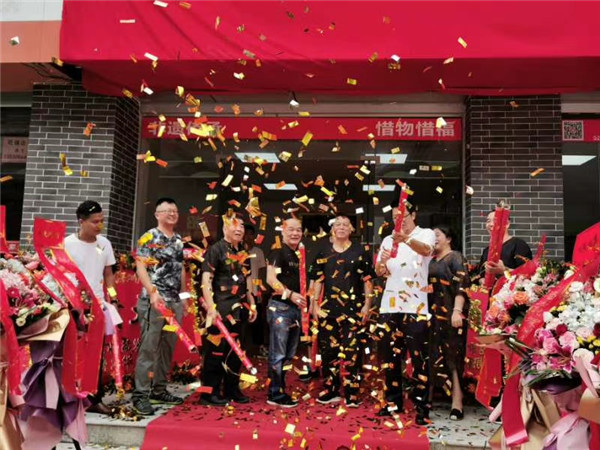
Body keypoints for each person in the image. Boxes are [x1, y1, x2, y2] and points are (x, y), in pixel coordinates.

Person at [375, 202, 435, 425]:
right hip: (390, 306)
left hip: (416, 307)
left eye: (403, 215)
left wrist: (405, 239)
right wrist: (382, 263)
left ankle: (421, 407)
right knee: (390, 357)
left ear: (413, 214)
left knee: (419, 359)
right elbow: (380, 271)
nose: (398, 220)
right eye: (394, 217)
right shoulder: (387, 240)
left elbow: (427, 251)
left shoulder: (425, 234)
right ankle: (393, 402)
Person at [310, 215, 375, 407]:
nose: (341, 227)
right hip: (328, 310)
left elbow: (368, 281)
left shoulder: (360, 251)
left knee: (352, 351)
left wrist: (367, 305)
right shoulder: (322, 250)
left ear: (352, 229)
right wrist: (314, 304)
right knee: (328, 351)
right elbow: (317, 280)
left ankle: (351, 392)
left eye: (346, 225)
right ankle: (330, 389)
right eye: (337, 224)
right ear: (332, 229)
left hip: (354, 311)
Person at [64, 200, 120, 415]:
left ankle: (94, 398)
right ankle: (69, 397)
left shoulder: (104, 243)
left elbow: (109, 274)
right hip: (72, 306)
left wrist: (112, 297)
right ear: (81, 222)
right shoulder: (66, 244)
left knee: (96, 354)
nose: (100, 225)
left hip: (97, 306)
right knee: (71, 352)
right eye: (95, 222)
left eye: (101, 221)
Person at [132, 197, 187, 415]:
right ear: (157, 214)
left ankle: (159, 389)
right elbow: (141, 267)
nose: (172, 214)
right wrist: (153, 293)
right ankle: (140, 394)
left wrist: (184, 296)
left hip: (174, 301)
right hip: (154, 301)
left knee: (167, 346)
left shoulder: (179, 240)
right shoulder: (149, 237)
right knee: (149, 346)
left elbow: (181, 268)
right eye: (167, 211)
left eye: (175, 211)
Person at [200, 213, 257, 406]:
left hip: (240, 309)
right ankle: (209, 393)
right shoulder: (215, 249)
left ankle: (232, 389)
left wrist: (252, 304)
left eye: (242, 225)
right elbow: (206, 280)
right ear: (225, 228)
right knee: (215, 353)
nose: (239, 228)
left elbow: (247, 280)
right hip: (220, 310)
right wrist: (211, 307)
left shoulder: (243, 251)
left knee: (236, 352)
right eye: (235, 225)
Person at [428, 225, 470, 421]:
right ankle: (428, 399)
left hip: (451, 315)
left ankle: (457, 402)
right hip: (432, 315)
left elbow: (462, 286)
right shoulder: (430, 260)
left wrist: (457, 311)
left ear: (449, 238)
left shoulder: (455, 257)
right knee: (433, 356)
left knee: (453, 357)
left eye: (437, 235)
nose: (434, 238)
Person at [265, 218, 306, 407]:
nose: (295, 233)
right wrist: (290, 294)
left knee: (289, 355)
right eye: (291, 229)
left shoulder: (298, 254)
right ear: (282, 231)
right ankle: (275, 393)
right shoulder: (277, 250)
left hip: (295, 309)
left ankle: (279, 389)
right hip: (280, 308)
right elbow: (270, 278)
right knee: (278, 353)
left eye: (298, 230)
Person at [479, 209, 532, 280]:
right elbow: (479, 275)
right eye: (488, 221)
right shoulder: (487, 250)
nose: (491, 224)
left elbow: (528, 275)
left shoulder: (519, 245)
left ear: (507, 224)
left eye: (495, 220)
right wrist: (482, 280)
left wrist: (504, 270)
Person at [243, 223, 267, 356]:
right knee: (243, 321)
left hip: (255, 291)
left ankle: (259, 348)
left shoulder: (258, 252)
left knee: (257, 322)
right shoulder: (238, 252)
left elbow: (262, 272)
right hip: (241, 292)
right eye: (245, 234)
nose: (248, 237)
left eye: (250, 234)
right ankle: (243, 348)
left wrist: (261, 290)